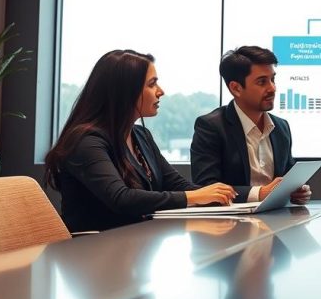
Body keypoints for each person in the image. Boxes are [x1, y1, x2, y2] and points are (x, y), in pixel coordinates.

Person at [45, 50, 236, 232]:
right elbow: (121, 198)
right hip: (93, 250)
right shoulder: (86, 141)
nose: (161, 91)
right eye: (152, 84)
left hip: (134, 243)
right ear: (125, 91)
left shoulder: (140, 135)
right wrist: (193, 197)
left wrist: (232, 195)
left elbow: (176, 184)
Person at [191, 46, 311, 204]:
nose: (272, 88)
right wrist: (259, 193)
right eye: (262, 82)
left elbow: (288, 178)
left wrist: (298, 191)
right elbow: (206, 187)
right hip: (228, 224)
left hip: (277, 220)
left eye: (273, 79)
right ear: (236, 88)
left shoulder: (281, 127)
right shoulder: (211, 127)